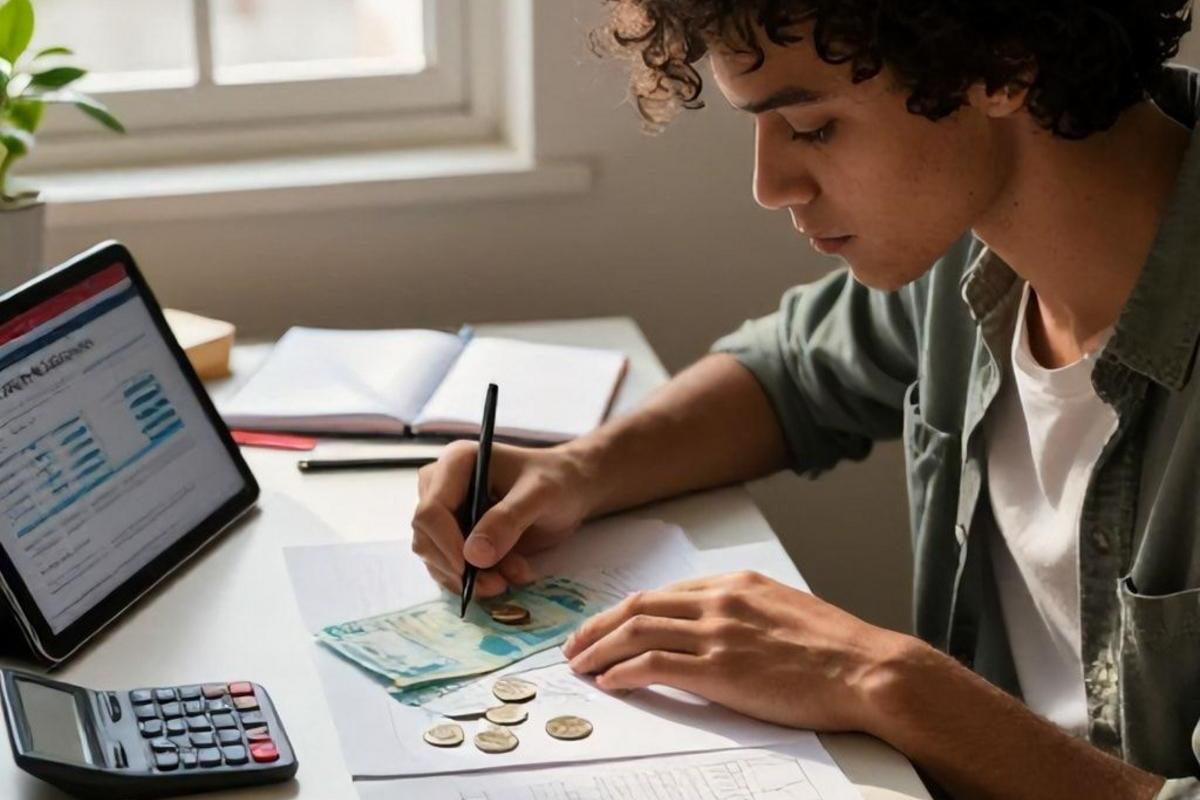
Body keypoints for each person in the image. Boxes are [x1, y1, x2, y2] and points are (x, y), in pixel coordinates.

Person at [411, 2, 1200, 797]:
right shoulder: (975, 239)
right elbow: (790, 372)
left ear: (1005, 64)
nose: (768, 185)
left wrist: (882, 679)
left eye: (815, 128)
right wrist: (577, 471)